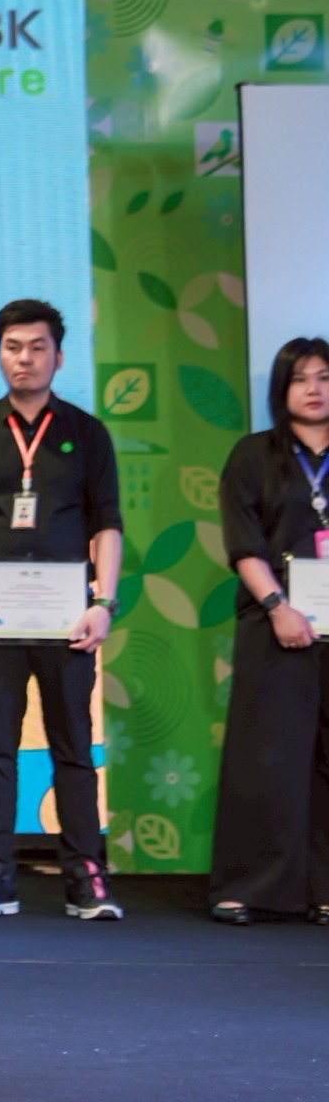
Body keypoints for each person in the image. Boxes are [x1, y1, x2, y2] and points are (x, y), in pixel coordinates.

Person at [0, 299, 124, 920]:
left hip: (67, 618)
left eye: (37, 347)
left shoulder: (87, 433)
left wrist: (103, 602)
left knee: (73, 746)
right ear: (0, 354)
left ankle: (85, 875)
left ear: (59, 356)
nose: (24, 358)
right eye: (13, 347)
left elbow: (107, 524)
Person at [208, 336, 329, 925]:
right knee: (267, 757)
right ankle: (247, 887)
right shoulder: (254, 455)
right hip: (275, 622)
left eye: (324, 377)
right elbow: (244, 544)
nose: (314, 389)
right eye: (300, 378)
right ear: (282, 389)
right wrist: (279, 607)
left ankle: (322, 889)